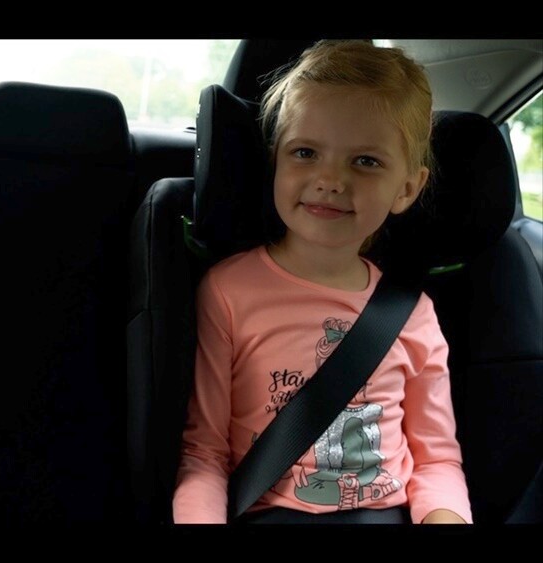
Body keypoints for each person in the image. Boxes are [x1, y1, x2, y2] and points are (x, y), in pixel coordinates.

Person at [173, 40, 472, 524]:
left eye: (366, 161)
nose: (330, 179)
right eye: (305, 152)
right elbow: (204, 454)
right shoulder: (228, 292)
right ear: (276, 162)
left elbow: (436, 460)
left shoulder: (412, 312)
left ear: (407, 188)